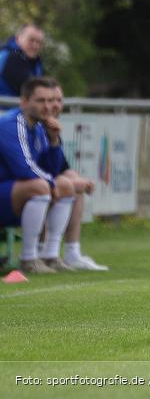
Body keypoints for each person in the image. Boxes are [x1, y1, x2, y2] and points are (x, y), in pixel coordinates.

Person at [0, 77, 75, 274]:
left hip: (11, 193)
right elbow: (24, 169)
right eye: (41, 101)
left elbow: (52, 171)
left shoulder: (41, 127)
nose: (48, 106)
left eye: (51, 101)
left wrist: (54, 140)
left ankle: (50, 255)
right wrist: (50, 184)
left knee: (66, 185)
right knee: (41, 186)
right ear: (24, 102)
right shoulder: (11, 124)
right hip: (6, 190)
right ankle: (28, 259)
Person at [37, 82, 108, 271]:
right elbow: (34, 167)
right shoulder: (33, 128)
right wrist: (71, 182)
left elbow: (60, 166)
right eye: (49, 100)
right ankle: (44, 251)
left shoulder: (52, 130)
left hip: (41, 182)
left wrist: (78, 180)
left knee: (73, 180)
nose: (55, 105)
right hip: (25, 186)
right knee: (66, 185)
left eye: (59, 100)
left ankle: (72, 252)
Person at [0, 24, 46, 97]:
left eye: (39, 42)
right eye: (31, 40)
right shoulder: (11, 57)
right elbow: (33, 89)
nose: (35, 46)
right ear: (18, 38)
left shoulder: (34, 61)